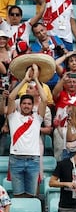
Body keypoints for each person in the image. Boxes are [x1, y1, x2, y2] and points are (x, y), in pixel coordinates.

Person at [8, 67, 48, 198]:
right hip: (16, 159)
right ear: (20, 105)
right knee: (18, 196)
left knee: (32, 196)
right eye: (24, 103)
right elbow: (11, 97)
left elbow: (45, 99)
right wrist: (25, 79)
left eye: (29, 104)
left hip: (33, 160)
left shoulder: (37, 118)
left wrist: (36, 78)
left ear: (32, 106)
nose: (26, 105)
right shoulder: (13, 117)